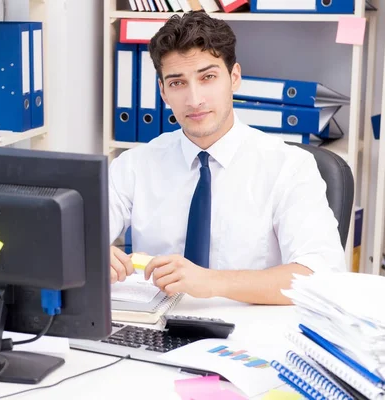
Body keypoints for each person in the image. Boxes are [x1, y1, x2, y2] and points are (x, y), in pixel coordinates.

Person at [108, 11, 346, 306]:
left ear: (234, 78)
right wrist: (89, 253)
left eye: (207, 77)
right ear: (163, 92)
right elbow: (74, 235)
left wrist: (211, 282)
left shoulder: (289, 167)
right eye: (177, 83)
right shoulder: (134, 165)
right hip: (156, 329)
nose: (194, 100)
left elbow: (321, 276)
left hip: (249, 335)